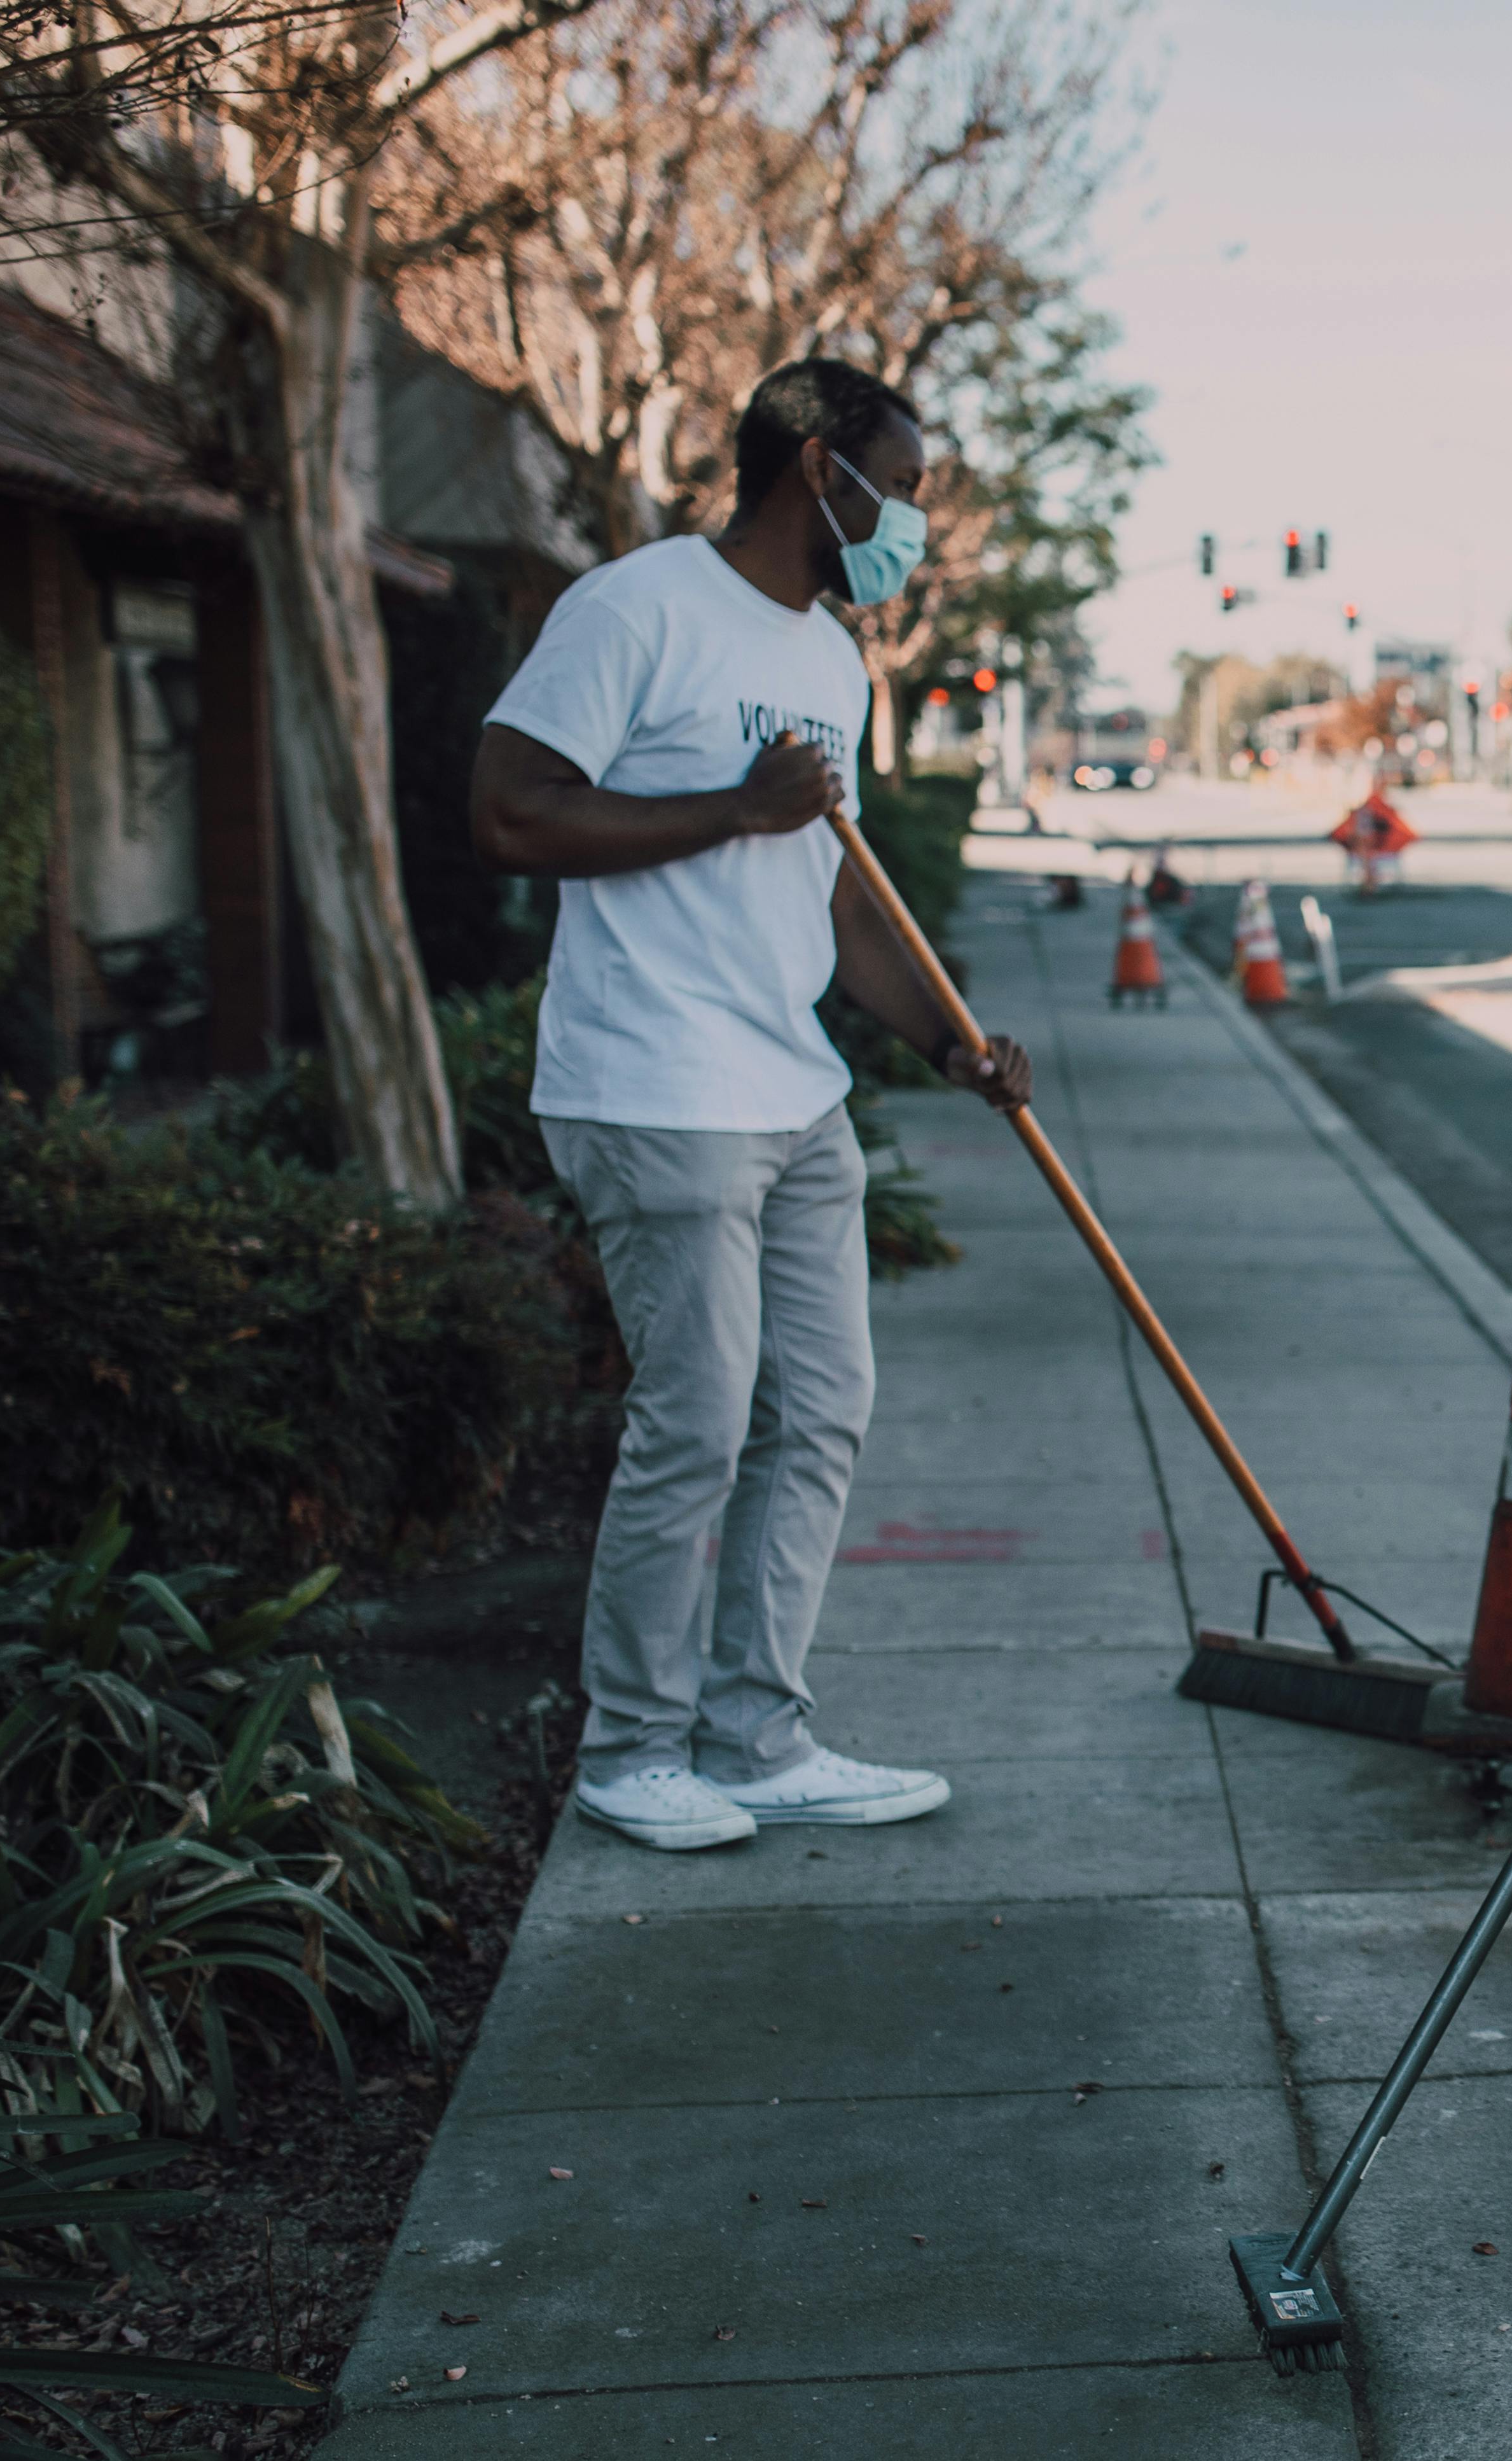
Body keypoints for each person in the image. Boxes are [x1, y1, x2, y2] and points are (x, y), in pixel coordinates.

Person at [469, 356, 1032, 1854]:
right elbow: (509, 807)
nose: (910, 523)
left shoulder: (832, 659)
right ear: (813, 467)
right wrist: (730, 805)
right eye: (900, 489)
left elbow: (839, 908)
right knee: (697, 1425)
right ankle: (635, 1752)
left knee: (821, 1414)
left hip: (793, 1089)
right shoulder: (636, 606)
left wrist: (948, 1044)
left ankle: (759, 1734)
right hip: (657, 1083)